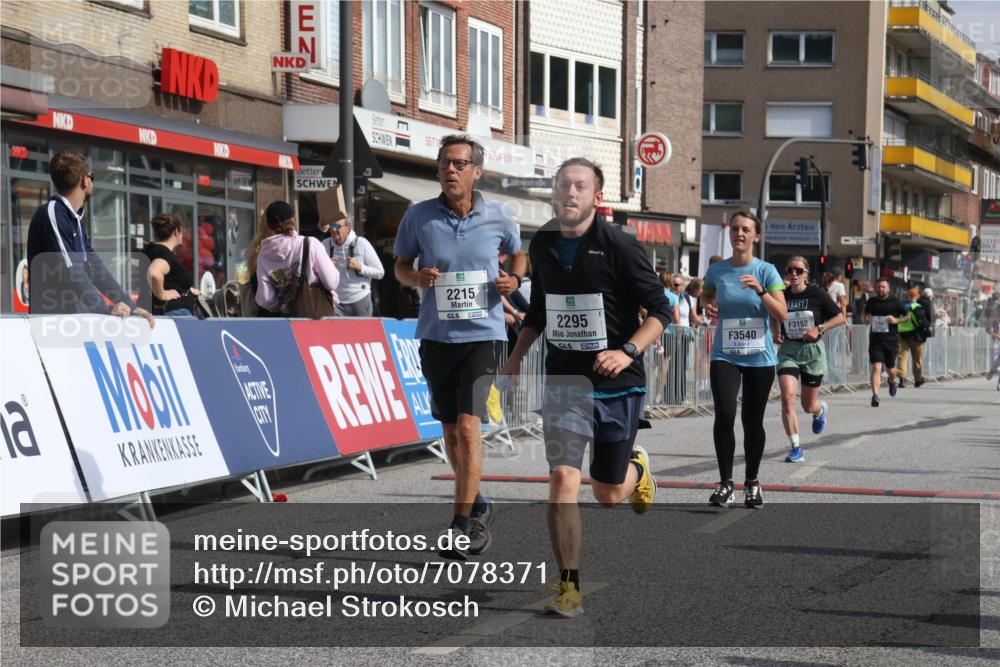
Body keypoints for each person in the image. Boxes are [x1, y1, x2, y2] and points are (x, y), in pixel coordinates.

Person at [499, 157, 669, 618]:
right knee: (561, 480)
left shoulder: (620, 246)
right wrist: (514, 362)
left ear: (597, 196)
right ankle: (568, 584)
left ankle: (637, 471)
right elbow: (539, 312)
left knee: (607, 493)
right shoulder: (547, 244)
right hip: (565, 382)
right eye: (562, 186)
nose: (569, 193)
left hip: (617, 383)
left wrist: (627, 352)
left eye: (579, 186)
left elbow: (660, 311)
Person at [393, 134, 526, 560]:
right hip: (436, 335)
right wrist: (416, 279)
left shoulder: (500, 216)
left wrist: (514, 280)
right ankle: (478, 502)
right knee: (450, 430)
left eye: (460, 163)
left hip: (484, 335)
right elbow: (399, 266)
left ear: (476, 171)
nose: (451, 169)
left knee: (469, 427)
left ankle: (461, 523)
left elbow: (519, 256)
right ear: (437, 169)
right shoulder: (418, 217)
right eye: (445, 163)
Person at [700, 210, 787, 508]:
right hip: (725, 353)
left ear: (756, 236)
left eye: (745, 230)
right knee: (724, 414)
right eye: (735, 229)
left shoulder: (766, 270)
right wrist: (709, 306)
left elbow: (782, 313)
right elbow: (706, 297)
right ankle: (725, 483)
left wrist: (761, 291)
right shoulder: (717, 270)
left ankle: (752, 480)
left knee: (752, 421)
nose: (739, 234)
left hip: (759, 357)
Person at [26, 150, 154, 326]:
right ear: (85, 180)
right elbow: (71, 270)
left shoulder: (75, 218)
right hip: (54, 324)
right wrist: (104, 308)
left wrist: (130, 304)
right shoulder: (53, 213)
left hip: (75, 321)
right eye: (92, 177)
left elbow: (95, 267)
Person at [771, 256, 845, 463]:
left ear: (806, 273)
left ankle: (819, 410)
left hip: (812, 352)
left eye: (799, 270)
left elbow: (840, 317)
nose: (794, 274)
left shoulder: (817, 294)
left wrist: (818, 329)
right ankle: (796, 447)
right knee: (787, 397)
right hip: (789, 350)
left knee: (807, 405)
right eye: (790, 270)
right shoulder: (781, 295)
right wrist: (774, 329)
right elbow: (773, 313)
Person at [255, 201, 339, 315]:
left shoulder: (262, 255)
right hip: (317, 315)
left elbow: (266, 299)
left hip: (288, 320)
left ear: (269, 225)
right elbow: (331, 282)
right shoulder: (310, 244)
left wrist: (284, 305)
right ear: (293, 219)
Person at [320, 214, 384, 316]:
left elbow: (380, 272)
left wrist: (361, 267)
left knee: (362, 332)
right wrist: (326, 267)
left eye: (337, 226)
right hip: (336, 303)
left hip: (360, 300)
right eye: (331, 226)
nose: (333, 230)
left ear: (347, 228)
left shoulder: (362, 243)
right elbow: (314, 274)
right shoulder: (325, 245)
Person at [144, 213, 200, 317]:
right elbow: (154, 273)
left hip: (162, 312)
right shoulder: (164, 254)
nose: (182, 235)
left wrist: (188, 291)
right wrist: (162, 294)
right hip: (175, 313)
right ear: (176, 232)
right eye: (182, 231)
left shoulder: (151, 250)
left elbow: (169, 281)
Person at [863, 278, 909, 407]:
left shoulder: (895, 302)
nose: (880, 289)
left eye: (883, 287)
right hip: (875, 340)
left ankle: (891, 381)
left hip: (891, 341)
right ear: (875, 288)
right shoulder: (871, 301)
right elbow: (866, 315)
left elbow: (907, 317)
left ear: (888, 289)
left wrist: (896, 320)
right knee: (876, 367)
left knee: (890, 369)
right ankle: (875, 396)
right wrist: (866, 319)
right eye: (878, 287)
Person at [896, 288, 930, 388]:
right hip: (916, 336)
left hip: (902, 334)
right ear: (917, 296)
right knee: (917, 358)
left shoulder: (901, 306)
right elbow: (923, 323)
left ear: (908, 295)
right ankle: (918, 379)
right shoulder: (918, 306)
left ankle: (902, 380)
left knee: (902, 358)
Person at [985, 292, 1000, 385]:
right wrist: (996, 335)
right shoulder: (993, 314)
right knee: (996, 360)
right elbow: (989, 330)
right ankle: (992, 370)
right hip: (996, 340)